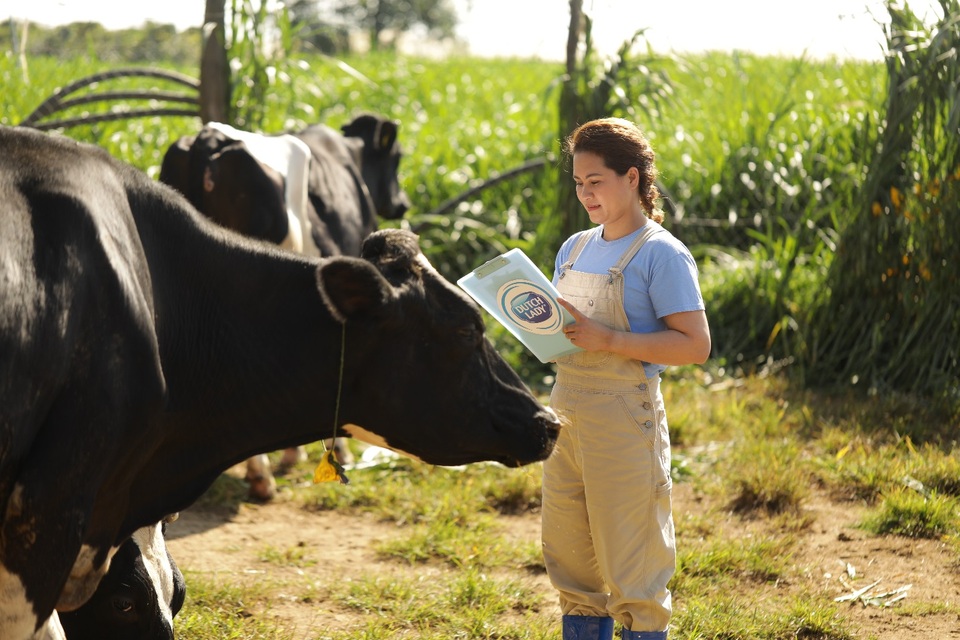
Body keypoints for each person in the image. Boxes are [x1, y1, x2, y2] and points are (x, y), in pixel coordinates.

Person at [542, 117, 711, 640]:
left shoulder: (661, 253)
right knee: (571, 560)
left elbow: (696, 345)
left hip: (623, 419)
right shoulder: (573, 248)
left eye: (596, 181)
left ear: (632, 178)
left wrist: (611, 340)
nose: (585, 194)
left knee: (633, 565)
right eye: (578, 183)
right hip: (564, 414)